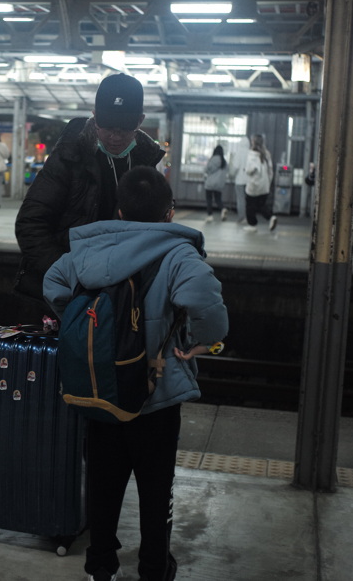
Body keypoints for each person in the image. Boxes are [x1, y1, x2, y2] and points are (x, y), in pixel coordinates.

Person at [44, 166, 229, 581]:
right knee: (155, 488)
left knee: (103, 484)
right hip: (155, 395)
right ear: (169, 213)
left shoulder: (89, 250)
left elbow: (54, 283)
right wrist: (200, 342)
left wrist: (84, 332)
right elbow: (207, 303)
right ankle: (153, 568)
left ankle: (101, 566)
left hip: (100, 392)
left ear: (120, 212)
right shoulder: (178, 252)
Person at [14, 73, 165, 303]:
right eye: (107, 127)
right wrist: (68, 276)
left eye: (124, 128)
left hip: (121, 292)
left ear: (140, 121)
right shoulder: (69, 156)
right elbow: (30, 223)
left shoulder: (148, 163)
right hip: (66, 292)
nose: (115, 136)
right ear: (94, 117)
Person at [242, 134, 277, 232]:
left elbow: (250, 169)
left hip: (253, 185)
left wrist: (246, 170)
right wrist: (268, 182)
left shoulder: (251, 154)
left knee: (250, 205)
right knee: (261, 205)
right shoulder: (266, 154)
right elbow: (270, 170)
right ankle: (271, 217)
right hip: (265, 185)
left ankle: (252, 225)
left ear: (253, 141)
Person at [203, 144, 227, 222]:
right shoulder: (224, 161)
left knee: (209, 199)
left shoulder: (212, 159)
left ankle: (210, 216)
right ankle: (223, 209)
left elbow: (206, 169)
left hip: (210, 183)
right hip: (219, 184)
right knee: (218, 199)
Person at [227, 143, 248, 223]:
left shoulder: (239, 153)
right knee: (248, 200)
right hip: (249, 181)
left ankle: (242, 217)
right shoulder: (250, 152)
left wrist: (231, 175)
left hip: (239, 181)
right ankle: (248, 217)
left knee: (240, 200)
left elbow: (235, 167)